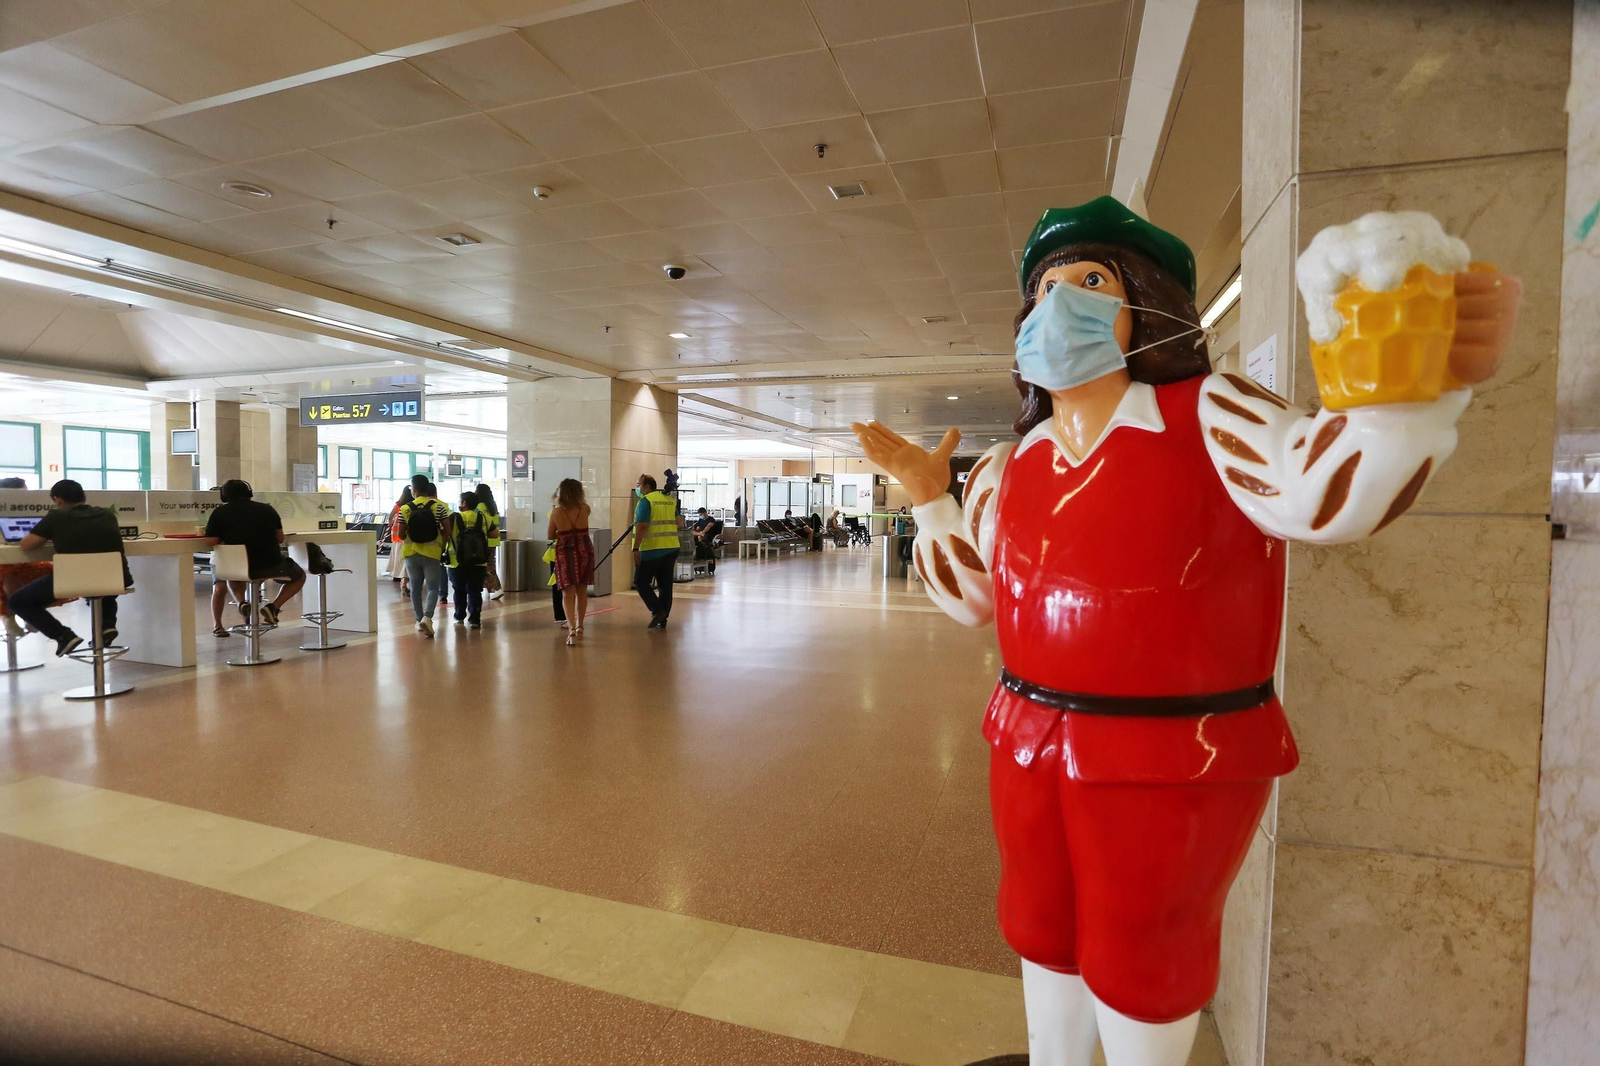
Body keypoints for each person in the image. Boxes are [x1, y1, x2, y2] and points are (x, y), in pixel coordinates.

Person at [850, 195, 1521, 1066]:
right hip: (1026, 733)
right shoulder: (1009, 465)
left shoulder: (1213, 413)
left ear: (1148, 303)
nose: (1059, 304)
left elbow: (1323, 494)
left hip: (1176, 750)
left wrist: (1401, 404)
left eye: (1091, 281)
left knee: (1145, 950)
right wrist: (930, 498)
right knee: (1040, 923)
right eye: (1044, 288)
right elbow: (970, 597)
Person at [10, 480, 129, 656]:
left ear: (57, 500)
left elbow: (27, 545)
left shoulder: (56, 516)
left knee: (18, 601)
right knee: (100, 587)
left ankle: (63, 636)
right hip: (117, 578)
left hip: (75, 579)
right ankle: (106, 625)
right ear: (85, 497)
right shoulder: (107, 514)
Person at [202, 479, 306, 632]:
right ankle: (274, 607)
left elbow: (211, 541)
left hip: (238, 567)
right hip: (270, 566)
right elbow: (280, 538)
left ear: (224, 496)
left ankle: (241, 603)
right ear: (249, 492)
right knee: (300, 576)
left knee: (233, 574)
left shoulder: (219, 513)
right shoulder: (267, 509)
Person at [397, 480, 451, 638]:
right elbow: (448, 530)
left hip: (411, 553)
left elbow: (401, 535)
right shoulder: (438, 507)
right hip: (432, 552)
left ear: (413, 489)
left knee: (415, 588)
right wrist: (437, 538)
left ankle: (418, 619)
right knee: (433, 587)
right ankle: (427, 617)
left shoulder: (405, 508)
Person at [632, 473, 681, 629]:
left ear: (647, 486)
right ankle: (663, 617)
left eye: (639, 485)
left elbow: (642, 526)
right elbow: (678, 522)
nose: (637, 488)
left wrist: (635, 548)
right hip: (671, 547)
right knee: (665, 585)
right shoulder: (669, 500)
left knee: (640, 581)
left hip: (652, 549)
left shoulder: (646, 501)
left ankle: (658, 610)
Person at [548, 478, 593, 646]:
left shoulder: (556, 512)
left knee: (568, 592)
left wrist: (563, 534)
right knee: (582, 590)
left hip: (565, 552)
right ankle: (580, 625)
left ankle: (571, 628)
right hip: (584, 551)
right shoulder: (585, 509)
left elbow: (550, 535)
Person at [446, 490, 494, 629]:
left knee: (458, 590)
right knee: (475, 590)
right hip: (478, 561)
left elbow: (446, 534)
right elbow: (494, 533)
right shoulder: (483, 517)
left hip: (456, 561)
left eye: (460, 501)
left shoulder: (453, 518)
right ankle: (475, 620)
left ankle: (459, 617)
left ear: (464, 503)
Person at [474, 482, 503, 600]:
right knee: (489, 564)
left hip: (484, 541)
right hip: (494, 540)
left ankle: (497, 588)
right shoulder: (492, 506)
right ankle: (488, 588)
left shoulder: (479, 507)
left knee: (488, 566)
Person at [388, 486, 412, 589]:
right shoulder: (412, 506)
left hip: (396, 534)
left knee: (396, 555)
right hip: (406, 533)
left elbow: (390, 517)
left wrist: (392, 524)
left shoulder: (398, 505)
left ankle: (396, 574)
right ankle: (404, 575)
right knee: (404, 556)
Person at [691, 507, 723, 574]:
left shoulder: (711, 519)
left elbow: (708, 527)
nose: (701, 516)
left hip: (708, 535)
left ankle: (701, 548)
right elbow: (697, 528)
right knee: (694, 534)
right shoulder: (700, 520)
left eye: (701, 514)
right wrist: (698, 532)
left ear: (705, 513)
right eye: (700, 515)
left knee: (700, 536)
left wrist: (702, 532)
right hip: (700, 533)